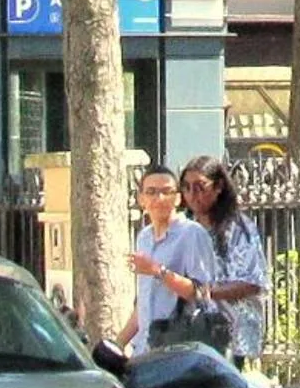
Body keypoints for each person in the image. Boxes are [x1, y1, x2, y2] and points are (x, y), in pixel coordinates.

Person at [113, 164, 219, 356]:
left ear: (178, 198)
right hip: (145, 347)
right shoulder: (144, 237)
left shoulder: (191, 234)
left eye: (166, 192)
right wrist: (119, 343)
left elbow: (202, 293)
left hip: (178, 347)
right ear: (141, 198)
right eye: (151, 192)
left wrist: (157, 271)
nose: (159, 198)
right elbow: (144, 302)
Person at [178, 156, 272, 367]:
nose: (193, 195)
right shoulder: (182, 227)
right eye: (187, 188)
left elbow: (252, 281)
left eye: (200, 187)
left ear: (218, 186)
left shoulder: (238, 228)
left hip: (230, 330)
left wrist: (205, 293)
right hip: (190, 329)